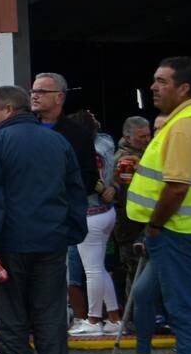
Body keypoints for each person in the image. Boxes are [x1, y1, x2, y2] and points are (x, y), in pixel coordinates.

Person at [0, 85, 87, 354]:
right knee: (50, 313)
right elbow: (75, 191)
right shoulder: (57, 142)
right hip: (51, 242)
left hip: (9, 244)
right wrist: (71, 232)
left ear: (8, 109)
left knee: (12, 314)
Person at [126, 57, 191, 354]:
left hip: (179, 235)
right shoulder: (190, 120)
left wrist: (154, 226)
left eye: (161, 81)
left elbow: (175, 188)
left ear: (183, 88)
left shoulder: (185, 125)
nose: (153, 87)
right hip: (187, 234)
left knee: (186, 315)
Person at [30, 72, 99, 333]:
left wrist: (60, 197)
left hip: (56, 223)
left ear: (59, 97)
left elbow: (89, 177)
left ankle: (53, 335)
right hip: (23, 222)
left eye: (42, 91)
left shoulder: (77, 134)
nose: (34, 95)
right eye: (33, 91)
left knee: (55, 282)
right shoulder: (25, 128)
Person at [65, 109, 123, 335]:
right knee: (100, 269)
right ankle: (115, 319)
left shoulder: (89, 151)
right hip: (107, 213)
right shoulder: (107, 143)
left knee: (91, 271)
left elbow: (92, 177)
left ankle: (92, 321)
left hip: (90, 213)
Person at [112, 115, 152, 296]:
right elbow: (122, 192)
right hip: (129, 223)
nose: (147, 139)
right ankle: (132, 318)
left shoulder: (149, 152)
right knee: (135, 269)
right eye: (141, 137)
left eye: (148, 135)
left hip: (149, 220)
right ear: (128, 137)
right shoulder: (123, 161)